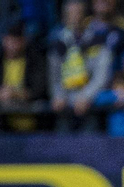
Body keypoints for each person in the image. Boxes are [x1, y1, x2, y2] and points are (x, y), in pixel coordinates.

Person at [47, 0, 109, 130]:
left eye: (78, 13)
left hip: (90, 104)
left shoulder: (97, 40)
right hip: (64, 104)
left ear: (86, 16)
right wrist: (58, 95)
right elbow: (54, 74)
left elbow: (101, 75)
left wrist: (86, 96)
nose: (76, 18)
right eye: (71, 14)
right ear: (65, 17)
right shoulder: (58, 43)